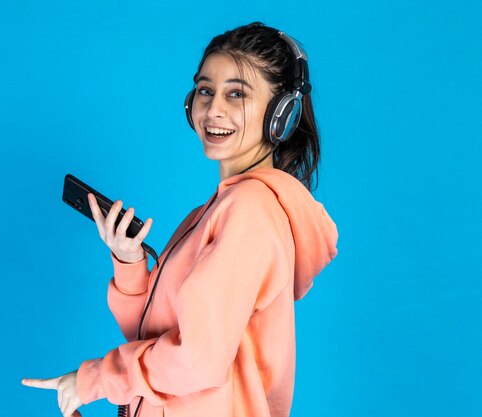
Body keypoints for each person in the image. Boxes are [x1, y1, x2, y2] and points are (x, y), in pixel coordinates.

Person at [22, 21, 339, 417]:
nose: (213, 109)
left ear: (281, 114)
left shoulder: (250, 211)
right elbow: (158, 339)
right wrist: (131, 263)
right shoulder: (213, 212)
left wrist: (96, 379)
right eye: (206, 90)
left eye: (236, 93)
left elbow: (198, 361)